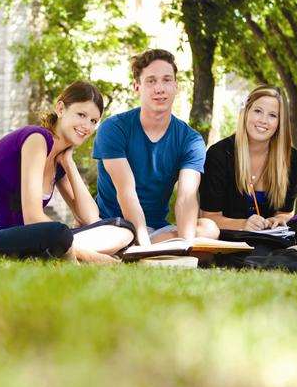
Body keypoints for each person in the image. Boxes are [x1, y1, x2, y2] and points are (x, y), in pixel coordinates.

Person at [0, 81, 135, 262]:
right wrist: (92, 255)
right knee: (58, 233)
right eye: (81, 114)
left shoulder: (60, 160)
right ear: (60, 109)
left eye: (93, 121)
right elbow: (33, 217)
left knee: (124, 229)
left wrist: (69, 164)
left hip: (25, 240)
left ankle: (58, 252)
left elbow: (91, 218)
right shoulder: (37, 139)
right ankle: (86, 256)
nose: (87, 126)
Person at [93, 48, 218, 246]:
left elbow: (186, 197)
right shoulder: (114, 128)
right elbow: (127, 193)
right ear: (137, 87)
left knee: (209, 228)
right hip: (114, 225)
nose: (160, 88)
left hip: (158, 229)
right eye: (151, 81)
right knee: (123, 236)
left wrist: (186, 243)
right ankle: (136, 248)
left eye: (167, 80)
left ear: (176, 86)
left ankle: (135, 250)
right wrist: (145, 247)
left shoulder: (190, 140)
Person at [200, 85, 297, 230]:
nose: (263, 120)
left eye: (273, 115)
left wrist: (277, 219)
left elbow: (286, 212)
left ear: (280, 123)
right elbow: (209, 217)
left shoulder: (290, 158)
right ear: (246, 112)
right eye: (258, 111)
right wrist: (243, 224)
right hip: (228, 244)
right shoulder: (219, 154)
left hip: (270, 244)